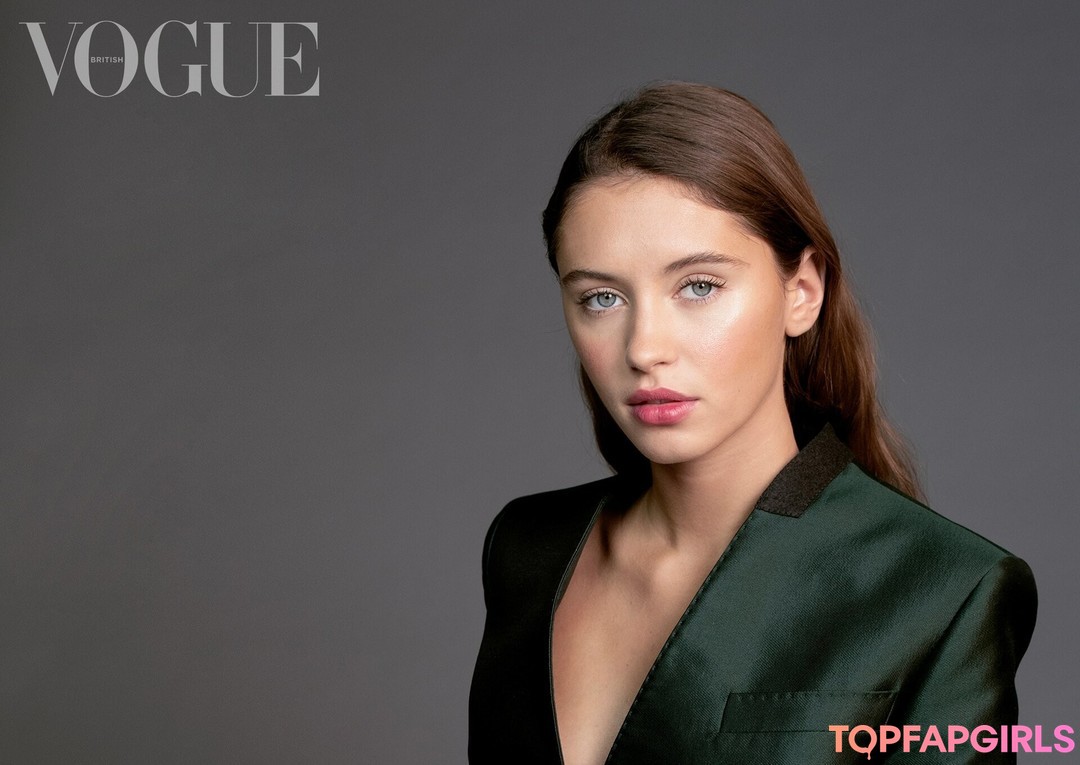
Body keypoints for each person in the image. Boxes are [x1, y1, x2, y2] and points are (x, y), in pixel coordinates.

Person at [468, 82, 1037, 764]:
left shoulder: (946, 589)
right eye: (601, 297)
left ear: (802, 292)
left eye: (699, 286)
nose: (644, 348)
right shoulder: (526, 549)